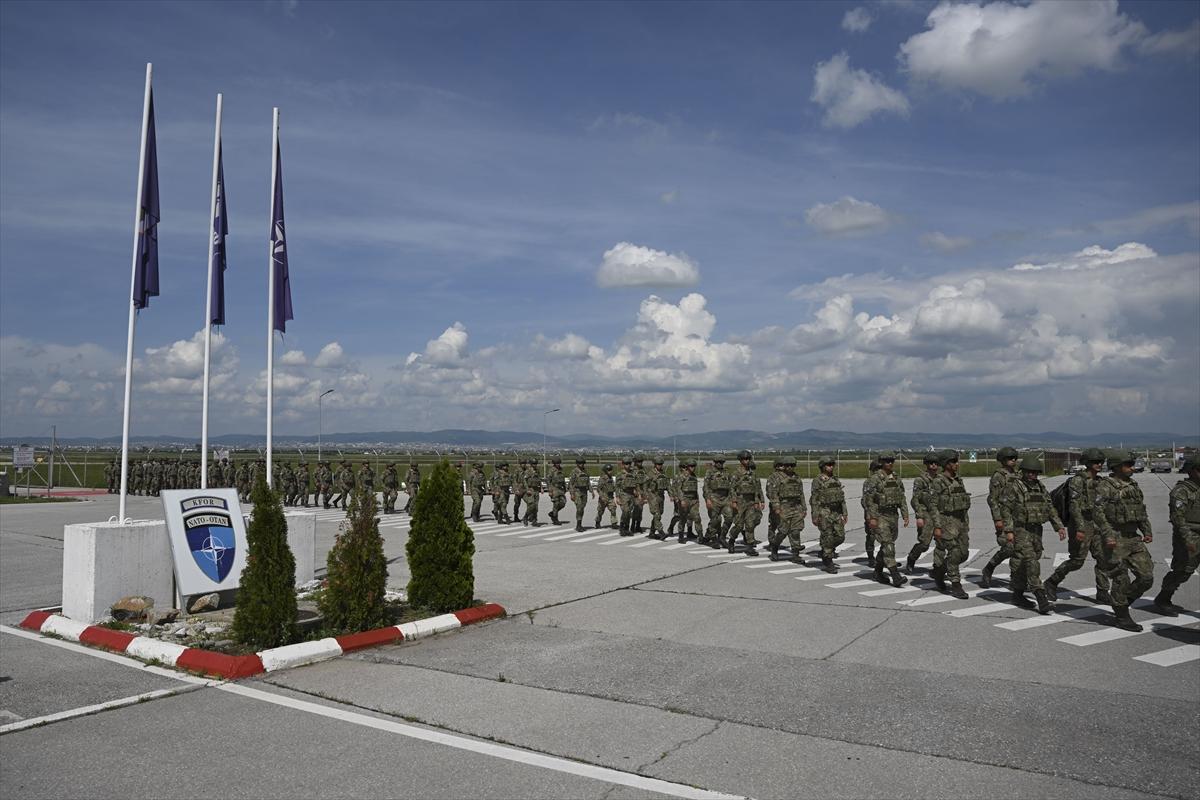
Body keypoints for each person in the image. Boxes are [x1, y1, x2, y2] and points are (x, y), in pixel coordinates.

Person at [1096, 450, 1154, 632]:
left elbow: (1141, 510)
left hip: (1133, 537)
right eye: (1127, 465)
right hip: (1115, 536)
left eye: (1131, 464)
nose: (1131, 468)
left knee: (1146, 577)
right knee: (1121, 578)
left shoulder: (1134, 486)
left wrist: (1147, 530)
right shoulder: (1106, 486)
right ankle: (1122, 615)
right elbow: (1098, 513)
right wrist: (1108, 535)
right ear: (1116, 467)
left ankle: (1121, 602)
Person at [1000, 454, 1066, 614]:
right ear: (1023, 472)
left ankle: (1017, 594)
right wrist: (1008, 530)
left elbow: (1049, 507)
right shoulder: (1014, 486)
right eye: (1029, 472)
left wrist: (1059, 526)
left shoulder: (1040, 487)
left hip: (1036, 530)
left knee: (1028, 560)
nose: (1032, 475)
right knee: (1031, 563)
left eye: (1035, 473)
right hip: (1020, 529)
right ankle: (1042, 599)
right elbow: (1005, 509)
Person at [1043, 448, 1109, 602]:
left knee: (1103, 559)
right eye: (1095, 462)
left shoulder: (1100, 481)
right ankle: (1051, 582)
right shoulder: (1078, 481)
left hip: (1097, 524)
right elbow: (1074, 506)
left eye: (1100, 462)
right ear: (1087, 463)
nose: (1099, 464)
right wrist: (1079, 528)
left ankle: (1103, 591)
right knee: (1077, 561)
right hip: (1081, 523)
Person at [1153, 455, 1200, 615]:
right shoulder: (1182, 491)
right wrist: (1187, 539)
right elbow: (1177, 518)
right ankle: (1163, 598)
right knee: (1184, 570)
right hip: (1189, 534)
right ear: (1192, 471)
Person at [863, 452, 909, 587]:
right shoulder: (874, 479)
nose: (890, 463)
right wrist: (872, 518)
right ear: (882, 462)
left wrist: (905, 514)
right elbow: (869, 501)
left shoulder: (896, 478)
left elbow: (902, 498)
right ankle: (896, 576)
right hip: (880, 516)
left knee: (886, 545)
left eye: (892, 461)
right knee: (888, 545)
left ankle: (877, 572)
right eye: (887, 461)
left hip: (893, 516)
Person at [929, 450, 970, 599]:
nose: (957, 464)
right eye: (953, 462)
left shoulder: (958, 480)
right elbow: (933, 506)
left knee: (964, 554)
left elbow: (963, 502)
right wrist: (937, 526)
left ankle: (939, 572)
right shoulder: (938, 481)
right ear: (946, 464)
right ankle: (955, 584)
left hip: (960, 522)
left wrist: (966, 523)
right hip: (946, 521)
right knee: (954, 552)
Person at [981, 446, 1020, 588]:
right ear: (1003, 460)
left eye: (1015, 458)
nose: (1013, 460)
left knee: (1020, 549)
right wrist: (997, 519)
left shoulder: (1018, 475)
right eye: (1010, 458)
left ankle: (1016, 579)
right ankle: (989, 567)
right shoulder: (998, 476)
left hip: (1018, 518)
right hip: (1004, 517)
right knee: (1009, 547)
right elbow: (993, 499)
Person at [904, 453, 942, 574]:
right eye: (931, 463)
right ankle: (911, 559)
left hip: (939, 514)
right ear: (926, 465)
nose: (934, 466)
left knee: (941, 542)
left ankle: (938, 568)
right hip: (926, 513)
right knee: (924, 544)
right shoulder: (920, 480)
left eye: (936, 463)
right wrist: (919, 516)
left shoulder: (941, 480)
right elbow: (915, 500)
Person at [810, 455, 847, 573]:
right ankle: (828, 560)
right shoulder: (817, 481)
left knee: (840, 536)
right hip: (824, 512)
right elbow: (814, 500)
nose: (831, 467)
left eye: (832, 464)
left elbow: (842, 498)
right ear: (822, 466)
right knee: (828, 536)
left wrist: (844, 513)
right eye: (828, 465)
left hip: (836, 512)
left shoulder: (836, 480)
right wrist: (815, 515)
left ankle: (826, 549)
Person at [768, 456, 805, 562]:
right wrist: (776, 507)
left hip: (796, 506)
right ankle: (775, 547)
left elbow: (801, 494)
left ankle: (795, 553)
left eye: (792, 465)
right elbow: (773, 493)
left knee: (795, 530)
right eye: (787, 465)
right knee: (783, 531)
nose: (789, 467)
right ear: (783, 466)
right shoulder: (776, 477)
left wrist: (804, 508)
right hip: (783, 507)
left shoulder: (796, 477)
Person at [728, 451, 763, 556]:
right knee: (738, 525)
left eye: (748, 459)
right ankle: (731, 540)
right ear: (740, 460)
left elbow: (757, 488)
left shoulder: (753, 473)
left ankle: (750, 546)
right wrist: (734, 501)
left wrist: (758, 501)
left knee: (750, 524)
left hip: (751, 502)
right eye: (744, 459)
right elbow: (732, 488)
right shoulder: (736, 473)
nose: (746, 461)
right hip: (740, 501)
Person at [702, 457, 734, 547]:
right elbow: (706, 487)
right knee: (715, 520)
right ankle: (713, 538)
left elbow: (732, 486)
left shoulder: (726, 472)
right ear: (714, 462)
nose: (719, 463)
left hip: (725, 498)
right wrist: (707, 499)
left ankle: (722, 537)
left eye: (721, 462)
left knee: (729, 517)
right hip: (713, 497)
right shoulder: (710, 472)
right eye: (717, 462)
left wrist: (732, 499)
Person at [674, 459, 703, 543]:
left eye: (694, 466)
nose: (693, 468)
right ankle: (681, 536)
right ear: (687, 467)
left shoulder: (694, 476)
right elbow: (678, 489)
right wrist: (681, 500)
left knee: (697, 518)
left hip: (693, 500)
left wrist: (697, 500)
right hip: (685, 499)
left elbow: (695, 489)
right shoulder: (682, 476)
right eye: (691, 466)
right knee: (683, 519)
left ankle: (700, 536)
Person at [861, 458, 881, 566]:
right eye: (876, 469)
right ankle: (870, 557)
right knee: (871, 536)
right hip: (872, 513)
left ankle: (886, 558)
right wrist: (869, 515)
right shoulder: (868, 482)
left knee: (887, 537)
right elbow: (865, 500)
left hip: (884, 513)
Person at [646, 457, 670, 539]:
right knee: (656, 514)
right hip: (653, 495)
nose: (660, 466)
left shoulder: (663, 473)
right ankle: (661, 532)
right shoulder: (651, 473)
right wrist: (645, 495)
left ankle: (652, 533)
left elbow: (667, 484)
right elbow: (645, 484)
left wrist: (671, 495)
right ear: (655, 465)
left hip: (660, 495)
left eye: (661, 464)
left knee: (659, 514)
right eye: (658, 464)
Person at [569, 457, 591, 532]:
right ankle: (578, 525)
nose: (581, 465)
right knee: (579, 508)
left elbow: (588, 481)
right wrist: (572, 494)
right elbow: (571, 484)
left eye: (583, 463)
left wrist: (592, 491)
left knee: (582, 508)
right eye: (580, 463)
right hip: (577, 491)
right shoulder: (574, 472)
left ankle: (580, 523)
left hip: (584, 491)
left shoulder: (585, 471)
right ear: (577, 464)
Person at [766, 460, 785, 544]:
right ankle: (771, 540)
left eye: (783, 465)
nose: (782, 467)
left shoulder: (787, 476)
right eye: (780, 465)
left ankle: (776, 542)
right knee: (774, 523)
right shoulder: (772, 477)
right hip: (776, 503)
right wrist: (775, 503)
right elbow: (769, 491)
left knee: (784, 524)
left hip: (785, 504)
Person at [594, 463, 618, 529]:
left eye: (611, 470)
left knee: (613, 509)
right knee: (600, 511)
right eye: (609, 470)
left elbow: (614, 487)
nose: (610, 471)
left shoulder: (611, 478)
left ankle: (614, 523)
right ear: (605, 471)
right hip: (603, 497)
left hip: (610, 497)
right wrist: (602, 497)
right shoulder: (602, 479)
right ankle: (597, 522)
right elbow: (598, 489)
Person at [547, 457, 567, 525]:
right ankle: (555, 519)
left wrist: (565, 488)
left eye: (559, 463)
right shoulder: (551, 470)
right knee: (556, 504)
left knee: (563, 503)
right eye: (556, 463)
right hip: (554, 488)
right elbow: (548, 481)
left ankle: (552, 513)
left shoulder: (561, 469)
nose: (558, 464)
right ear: (554, 464)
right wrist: (550, 490)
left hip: (560, 489)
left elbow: (563, 479)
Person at [522, 458, 541, 526]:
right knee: (531, 505)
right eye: (533, 464)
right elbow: (524, 481)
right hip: (531, 489)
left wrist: (541, 488)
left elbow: (539, 480)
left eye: (536, 464)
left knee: (536, 506)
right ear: (531, 464)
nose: (535, 465)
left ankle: (534, 520)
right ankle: (526, 517)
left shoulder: (537, 471)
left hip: (536, 490)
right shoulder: (528, 471)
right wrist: (527, 489)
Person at [511, 458, 526, 523]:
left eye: (524, 463)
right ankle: (516, 516)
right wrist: (516, 489)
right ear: (520, 464)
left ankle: (529, 516)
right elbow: (514, 480)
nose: (524, 465)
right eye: (522, 463)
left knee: (530, 502)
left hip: (525, 489)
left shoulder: (527, 470)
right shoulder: (517, 470)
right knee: (517, 504)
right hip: (518, 489)